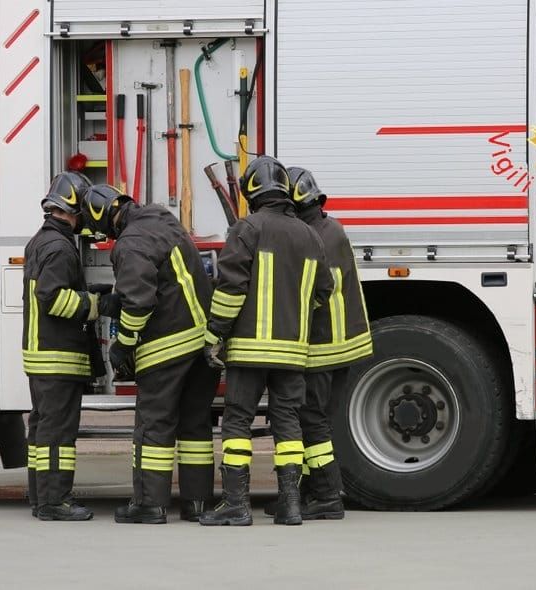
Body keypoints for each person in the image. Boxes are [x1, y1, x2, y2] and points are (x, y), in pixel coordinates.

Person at [199, 156, 333, 527]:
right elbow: (324, 290)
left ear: (251, 192)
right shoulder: (310, 235)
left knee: (238, 422)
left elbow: (230, 288)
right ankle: (290, 505)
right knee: (288, 422)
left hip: (250, 349)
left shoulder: (247, 228)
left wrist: (215, 334)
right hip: (292, 352)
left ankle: (236, 505)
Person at [81, 185, 219, 524]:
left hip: (167, 348)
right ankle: (197, 504)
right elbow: (165, 279)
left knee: (154, 429)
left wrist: (123, 346)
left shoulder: (129, 244)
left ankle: (150, 505)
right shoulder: (161, 218)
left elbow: (140, 303)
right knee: (195, 428)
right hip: (203, 345)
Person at [23, 171, 113, 521]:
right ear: (73, 209)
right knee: (58, 435)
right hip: (57, 357)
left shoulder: (41, 241)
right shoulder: (59, 248)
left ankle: (41, 497)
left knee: (43, 432)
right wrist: (97, 304)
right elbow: (53, 299)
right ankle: (55, 502)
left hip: (42, 356)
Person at [285, 166, 373, 519]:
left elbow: (313, 291)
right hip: (337, 342)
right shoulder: (326, 227)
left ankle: (326, 495)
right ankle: (311, 491)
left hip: (325, 344)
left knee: (312, 419)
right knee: (315, 418)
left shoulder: (317, 236)